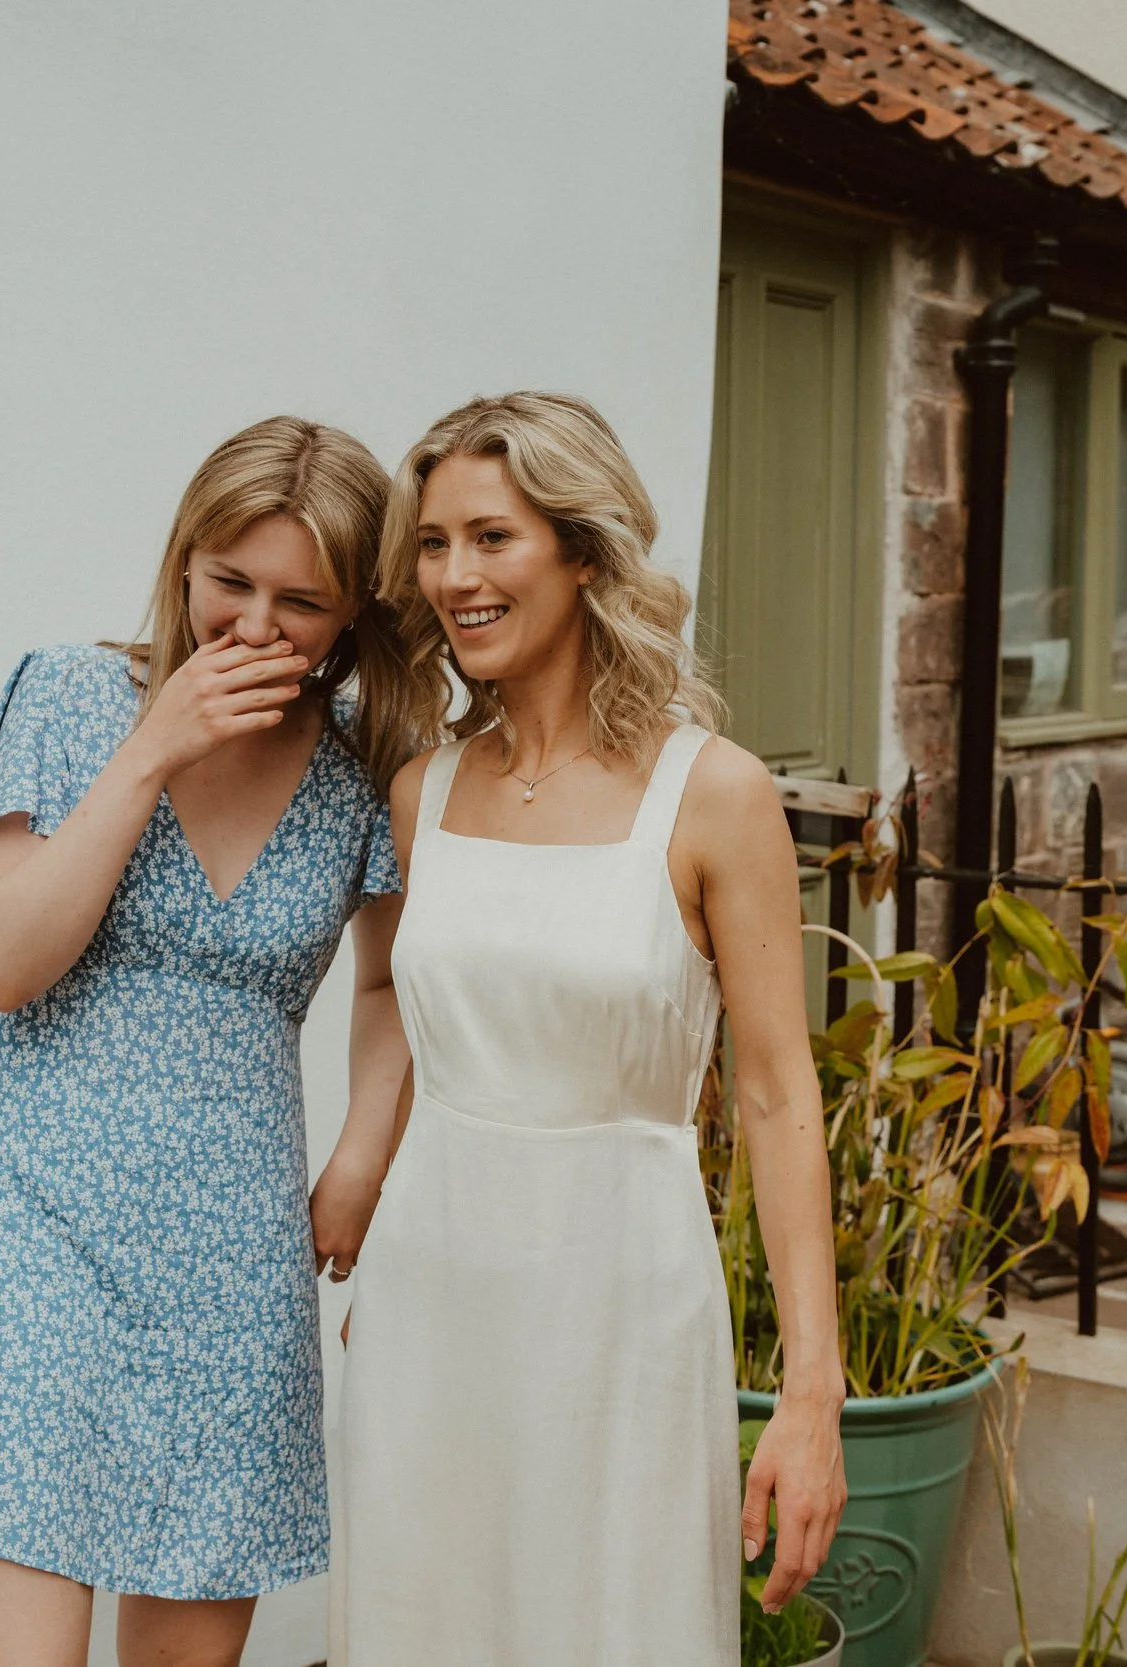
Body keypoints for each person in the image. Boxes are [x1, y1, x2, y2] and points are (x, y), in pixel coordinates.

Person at [315, 393, 847, 1666]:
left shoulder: (711, 793)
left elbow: (776, 1094)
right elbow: (393, 992)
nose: (453, 575)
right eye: (433, 544)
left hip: (623, 1305)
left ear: (585, 552)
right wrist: (360, 1163)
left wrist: (813, 1387)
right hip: (428, 1299)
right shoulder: (420, 789)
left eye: (491, 537)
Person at [0, 415, 420, 1667]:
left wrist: (359, 1159)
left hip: (228, 1259)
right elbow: (3, 965)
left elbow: (391, 983)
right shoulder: (68, 695)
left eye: (302, 601)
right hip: (21, 1228)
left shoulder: (362, 777)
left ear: (352, 619)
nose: (254, 624)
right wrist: (155, 749)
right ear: (184, 560)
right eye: (229, 581)